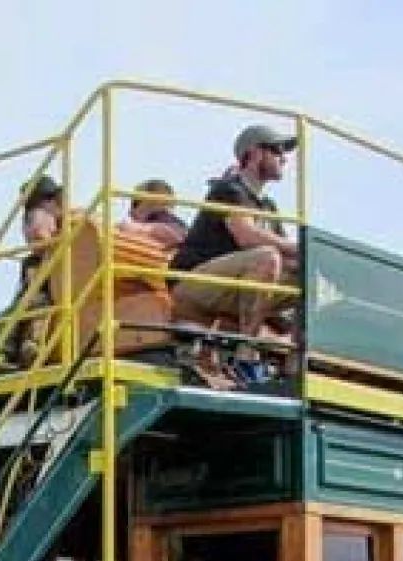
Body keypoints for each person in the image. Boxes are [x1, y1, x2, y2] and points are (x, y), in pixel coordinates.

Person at [168, 124, 303, 385]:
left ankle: (293, 366)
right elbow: (245, 235)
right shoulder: (229, 189)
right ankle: (245, 354)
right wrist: (298, 249)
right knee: (266, 256)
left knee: (306, 275)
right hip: (192, 286)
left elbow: (288, 256)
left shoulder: (268, 207)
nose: (284, 158)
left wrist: (306, 261)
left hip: (231, 286)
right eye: (277, 150)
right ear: (254, 154)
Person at [5, 175, 64, 362]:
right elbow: (38, 238)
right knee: (35, 303)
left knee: (31, 304)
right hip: (44, 265)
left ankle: (17, 346)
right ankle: (22, 345)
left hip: (51, 266)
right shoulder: (40, 215)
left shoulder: (52, 215)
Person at [122, 178, 188, 250]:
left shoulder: (172, 224)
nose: (164, 210)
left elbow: (179, 237)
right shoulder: (124, 225)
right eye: (151, 204)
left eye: (166, 205)